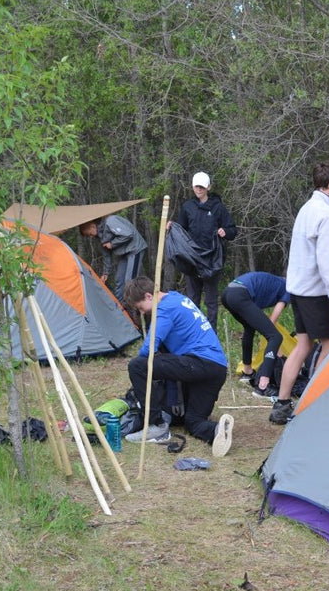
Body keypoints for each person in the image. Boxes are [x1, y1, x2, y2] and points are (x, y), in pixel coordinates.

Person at [269, 162, 329, 426]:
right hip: (315, 292)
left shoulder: (306, 209)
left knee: (304, 345)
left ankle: (281, 404)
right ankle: (311, 402)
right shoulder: (327, 216)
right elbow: (328, 261)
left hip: (298, 289)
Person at [122, 276, 233, 457]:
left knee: (137, 366)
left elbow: (148, 349)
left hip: (198, 363)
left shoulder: (164, 309)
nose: (142, 313)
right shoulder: (177, 298)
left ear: (149, 296)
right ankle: (218, 430)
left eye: (141, 307)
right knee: (193, 421)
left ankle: (156, 425)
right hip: (217, 368)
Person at [173, 171, 237, 331]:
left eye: (202, 186)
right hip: (192, 259)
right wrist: (171, 227)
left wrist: (225, 231)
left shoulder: (218, 207)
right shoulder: (187, 207)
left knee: (211, 299)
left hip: (212, 260)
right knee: (193, 298)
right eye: (196, 186)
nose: (199, 189)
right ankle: (195, 331)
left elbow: (232, 230)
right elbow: (181, 228)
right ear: (192, 187)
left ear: (208, 187)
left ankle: (211, 331)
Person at [221, 272, 290, 397]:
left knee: (250, 327)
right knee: (275, 337)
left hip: (227, 293)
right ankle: (263, 385)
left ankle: (247, 373)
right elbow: (272, 321)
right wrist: (276, 348)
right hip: (240, 295)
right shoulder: (289, 288)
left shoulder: (274, 282)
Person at [79, 214, 147, 303]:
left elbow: (128, 234)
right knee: (119, 281)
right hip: (123, 253)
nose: (91, 236)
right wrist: (105, 273)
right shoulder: (100, 236)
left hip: (134, 249)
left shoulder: (111, 221)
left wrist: (112, 244)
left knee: (130, 281)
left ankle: (133, 308)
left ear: (92, 226)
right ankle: (120, 307)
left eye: (90, 233)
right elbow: (106, 255)